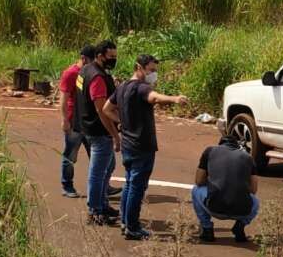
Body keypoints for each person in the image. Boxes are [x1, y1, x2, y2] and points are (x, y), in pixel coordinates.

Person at [103, 54, 187, 240]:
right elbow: (154, 98)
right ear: (139, 67)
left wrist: (122, 122)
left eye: (155, 71)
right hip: (141, 145)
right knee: (137, 187)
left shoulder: (122, 87)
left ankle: (126, 222)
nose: (153, 75)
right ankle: (132, 226)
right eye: (151, 70)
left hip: (128, 144)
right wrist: (174, 99)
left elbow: (107, 109)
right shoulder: (141, 88)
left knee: (130, 183)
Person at [75, 39, 121, 225]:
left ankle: (102, 203)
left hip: (86, 127)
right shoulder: (97, 78)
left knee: (108, 167)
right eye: (111, 57)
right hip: (98, 131)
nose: (113, 60)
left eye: (115, 57)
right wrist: (115, 135)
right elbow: (102, 111)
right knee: (98, 172)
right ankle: (95, 209)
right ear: (100, 56)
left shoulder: (85, 71)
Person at [192, 135, 260, 243]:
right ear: (237, 146)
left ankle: (207, 229)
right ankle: (240, 226)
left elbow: (199, 181)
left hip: (214, 208)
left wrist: (214, 180)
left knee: (196, 190)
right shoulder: (248, 157)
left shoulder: (210, 151)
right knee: (255, 201)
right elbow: (253, 189)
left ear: (220, 143)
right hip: (242, 211)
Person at [59, 45, 95, 198]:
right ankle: (67, 186)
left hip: (88, 121)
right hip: (74, 120)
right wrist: (65, 120)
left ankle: (103, 186)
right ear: (83, 58)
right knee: (70, 155)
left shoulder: (91, 73)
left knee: (96, 155)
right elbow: (63, 99)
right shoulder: (70, 74)